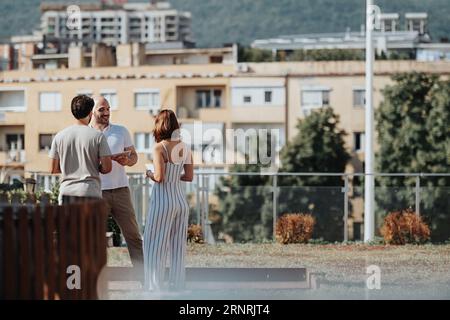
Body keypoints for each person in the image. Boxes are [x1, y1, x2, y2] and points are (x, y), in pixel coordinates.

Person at [90, 96, 144, 275]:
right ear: (92, 111)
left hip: (121, 190)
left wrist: (128, 161)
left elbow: (134, 157)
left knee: (133, 236)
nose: (106, 112)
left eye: (108, 108)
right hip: (97, 192)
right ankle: (94, 279)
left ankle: (143, 278)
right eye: (101, 109)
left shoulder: (121, 131)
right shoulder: (87, 134)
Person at [143, 109, 193, 291]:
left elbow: (159, 177)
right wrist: (174, 176)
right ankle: (177, 285)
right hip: (180, 202)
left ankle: (154, 286)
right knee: (178, 247)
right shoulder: (185, 148)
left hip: (163, 202)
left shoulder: (159, 148)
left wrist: (148, 173)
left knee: (153, 244)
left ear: (159, 125)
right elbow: (189, 177)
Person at [49, 95, 112, 204]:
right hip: (90, 192)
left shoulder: (59, 136)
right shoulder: (98, 136)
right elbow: (107, 168)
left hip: (66, 193)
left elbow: (52, 169)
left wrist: (70, 167)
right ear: (90, 113)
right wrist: (93, 166)